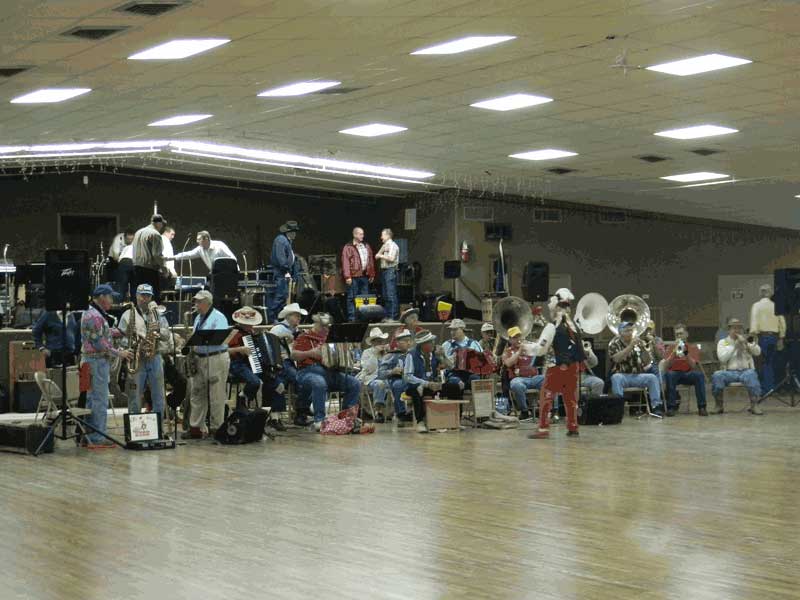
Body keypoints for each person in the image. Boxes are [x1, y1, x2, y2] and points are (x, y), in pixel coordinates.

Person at [528, 288, 585, 438]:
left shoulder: (552, 326)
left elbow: (541, 349)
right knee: (570, 398)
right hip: (573, 367)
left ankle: (543, 429)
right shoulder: (575, 327)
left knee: (546, 396)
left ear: (555, 308)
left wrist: (526, 347)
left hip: (556, 367)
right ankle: (573, 427)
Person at [80, 284, 132, 447]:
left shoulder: (93, 314)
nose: (111, 301)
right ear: (102, 297)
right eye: (110, 297)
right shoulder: (94, 316)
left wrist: (122, 331)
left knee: (91, 401)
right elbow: (99, 343)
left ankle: (89, 437)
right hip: (96, 362)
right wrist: (120, 353)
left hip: (91, 362)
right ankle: (97, 438)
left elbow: (103, 333)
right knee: (99, 401)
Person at [292, 313, 361, 431]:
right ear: (316, 324)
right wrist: (310, 353)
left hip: (329, 371)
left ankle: (347, 417)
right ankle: (319, 420)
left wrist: (344, 357)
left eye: (327, 326)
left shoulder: (331, 338)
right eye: (323, 326)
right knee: (319, 382)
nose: (326, 329)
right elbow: (293, 355)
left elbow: (336, 358)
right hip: (307, 371)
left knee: (354, 383)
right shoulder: (304, 336)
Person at [226, 306, 285, 431]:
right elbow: (223, 351)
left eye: (251, 324)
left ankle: (274, 417)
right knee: (255, 382)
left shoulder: (253, 334)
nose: (250, 326)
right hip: (237, 364)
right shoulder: (232, 333)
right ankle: (242, 399)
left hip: (253, 365)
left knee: (278, 384)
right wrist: (239, 349)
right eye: (247, 324)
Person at [117, 284, 169, 418]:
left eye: (148, 296)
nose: (145, 299)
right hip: (137, 358)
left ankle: (159, 428)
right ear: (136, 296)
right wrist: (133, 345)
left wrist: (157, 330)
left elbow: (167, 335)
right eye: (142, 295)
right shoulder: (127, 314)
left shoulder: (158, 314)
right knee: (135, 395)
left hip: (155, 356)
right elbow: (119, 338)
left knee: (158, 394)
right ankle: (134, 429)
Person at [184, 290, 231, 439]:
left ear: (207, 303)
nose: (196, 305)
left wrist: (197, 339)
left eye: (199, 302)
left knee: (216, 395)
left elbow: (220, 339)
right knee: (197, 393)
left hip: (215, 357)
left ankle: (217, 429)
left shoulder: (219, 317)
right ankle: (196, 428)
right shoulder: (198, 318)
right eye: (196, 302)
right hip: (200, 358)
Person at [608, 321, 664, 416]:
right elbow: (616, 359)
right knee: (615, 378)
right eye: (627, 331)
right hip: (622, 376)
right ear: (620, 333)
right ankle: (618, 408)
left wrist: (644, 350)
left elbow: (646, 361)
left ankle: (656, 406)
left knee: (652, 378)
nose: (630, 333)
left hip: (637, 375)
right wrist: (630, 346)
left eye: (631, 330)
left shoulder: (637, 344)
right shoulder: (614, 344)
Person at [712, 318, 763, 415]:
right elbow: (722, 358)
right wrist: (735, 346)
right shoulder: (723, 342)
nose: (737, 330)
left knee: (752, 375)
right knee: (717, 375)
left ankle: (754, 405)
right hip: (729, 372)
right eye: (734, 328)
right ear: (729, 330)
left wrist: (747, 344)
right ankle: (719, 405)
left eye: (739, 328)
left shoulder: (747, 340)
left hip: (745, 371)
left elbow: (758, 352)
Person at [270, 302, 307, 426]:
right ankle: (300, 412)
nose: (299, 318)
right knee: (299, 379)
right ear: (289, 316)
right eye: (297, 316)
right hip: (281, 362)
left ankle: (279, 416)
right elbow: (270, 349)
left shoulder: (297, 330)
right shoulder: (277, 329)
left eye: (299, 316)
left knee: (282, 383)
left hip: (293, 363)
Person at [403, 330, 444, 433]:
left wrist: (443, 356)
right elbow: (407, 376)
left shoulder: (434, 354)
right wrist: (425, 383)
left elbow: (449, 366)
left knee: (451, 387)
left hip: (430, 384)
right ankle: (420, 421)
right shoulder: (411, 355)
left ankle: (443, 421)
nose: (433, 344)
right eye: (431, 342)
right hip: (413, 386)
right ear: (423, 344)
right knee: (417, 391)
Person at [749, 284, 786, 396]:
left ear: (760, 293)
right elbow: (782, 324)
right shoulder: (776, 306)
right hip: (774, 337)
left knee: (762, 363)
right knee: (771, 363)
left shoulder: (756, 306)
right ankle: (772, 387)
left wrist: (752, 339)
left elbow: (754, 324)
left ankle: (766, 389)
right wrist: (781, 338)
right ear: (770, 293)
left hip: (762, 338)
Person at [664, 323, 708, 416]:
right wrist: (673, 353)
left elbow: (693, 366)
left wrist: (686, 352)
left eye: (681, 333)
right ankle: (671, 407)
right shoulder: (670, 348)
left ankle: (702, 407)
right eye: (677, 334)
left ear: (686, 334)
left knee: (699, 375)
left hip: (688, 373)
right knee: (669, 375)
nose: (679, 336)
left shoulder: (693, 348)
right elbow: (666, 366)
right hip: (674, 373)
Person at [503, 326, 544, 422]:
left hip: (534, 377)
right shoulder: (507, 351)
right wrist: (519, 352)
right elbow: (508, 363)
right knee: (516, 385)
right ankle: (524, 411)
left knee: (549, 379)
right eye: (515, 337)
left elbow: (541, 356)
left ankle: (546, 409)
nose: (518, 339)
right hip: (519, 379)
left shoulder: (529, 347)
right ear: (510, 339)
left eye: (519, 336)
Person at [378, 328, 414, 424]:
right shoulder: (391, 356)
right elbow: (381, 373)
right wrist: (392, 371)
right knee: (397, 385)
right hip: (399, 380)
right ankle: (401, 413)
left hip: (415, 380)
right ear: (397, 342)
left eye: (409, 340)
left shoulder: (415, 354)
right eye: (404, 340)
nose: (407, 343)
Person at [267, 221, 300, 323]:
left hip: (283, 273)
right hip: (281, 273)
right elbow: (281, 259)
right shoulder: (281, 241)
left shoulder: (285, 240)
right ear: (289, 232)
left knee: (283, 297)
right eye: (293, 232)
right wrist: (286, 270)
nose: (295, 234)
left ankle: (278, 318)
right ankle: (273, 318)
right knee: (280, 297)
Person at [341, 226, 375, 322]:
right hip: (353, 276)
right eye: (360, 234)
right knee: (352, 297)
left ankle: (363, 317)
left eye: (363, 234)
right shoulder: (348, 247)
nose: (362, 236)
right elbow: (345, 262)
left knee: (364, 298)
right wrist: (347, 276)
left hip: (364, 275)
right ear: (355, 234)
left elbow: (370, 260)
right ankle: (352, 318)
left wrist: (372, 274)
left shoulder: (366, 245)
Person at [358, 327, 391, 422]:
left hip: (387, 378)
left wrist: (388, 354)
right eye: (378, 341)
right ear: (372, 343)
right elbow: (367, 369)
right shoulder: (367, 352)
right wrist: (375, 354)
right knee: (379, 384)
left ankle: (399, 412)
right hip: (371, 379)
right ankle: (378, 411)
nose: (381, 343)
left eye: (381, 341)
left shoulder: (387, 353)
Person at [132, 214, 166, 302]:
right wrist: (164, 268)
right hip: (149, 270)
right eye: (162, 224)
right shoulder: (155, 234)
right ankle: (152, 315)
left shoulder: (138, 232)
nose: (162, 227)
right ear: (158, 223)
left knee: (139, 297)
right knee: (152, 298)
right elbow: (156, 255)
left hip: (136, 269)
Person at [441, 319, 483, 390]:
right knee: (455, 382)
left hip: (470, 373)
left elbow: (482, 358)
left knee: (476, 380)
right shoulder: (446, 345)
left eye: (455, 330)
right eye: (451, 330)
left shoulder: (473, 343)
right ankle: (457, 400)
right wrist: (450, 360)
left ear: (463, 329)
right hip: (453, 373)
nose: (452, 332)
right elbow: (441, 364)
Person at [173, 230, 237, 273]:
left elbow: (233, 259)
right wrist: (172, 258)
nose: (197, 241)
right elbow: (189, 254)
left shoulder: (219, 245)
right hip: (216, 275)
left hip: (230, 274)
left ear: (206, 239)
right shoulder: (200, 249)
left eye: (199, 239)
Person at [375, 228, 400, 320]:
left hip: (390, 270)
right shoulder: (385, 245)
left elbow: (391, 258)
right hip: (385, 271)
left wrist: (381, 255)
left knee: (391, 294)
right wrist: (381, 251)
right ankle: (388, 315)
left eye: (382, 235)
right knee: (385, 295)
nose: (381, 237)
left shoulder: (393, 246)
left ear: (388, 235)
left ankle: (393, 317)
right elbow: (376, 255)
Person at [114, 231, 136, 301]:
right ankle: (134, 304)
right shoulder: (135, 246)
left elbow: (117, 258)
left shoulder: (126, 247)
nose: (130, 240)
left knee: (121, 287)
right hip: (133, 263)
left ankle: (120, 304)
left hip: (123, 263)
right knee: (134, 286)